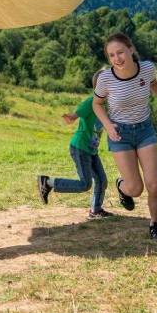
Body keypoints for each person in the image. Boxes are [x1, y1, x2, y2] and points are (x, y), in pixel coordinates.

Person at [93, 33, 157, 239]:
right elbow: (96, 104)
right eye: (112, 55)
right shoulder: (105, 79)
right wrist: (108, 125)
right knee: (135, 189)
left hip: (145, 130)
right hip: (120, 134)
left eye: (120, 52)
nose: (117, 58)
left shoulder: (146, 68)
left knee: (154, 184)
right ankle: (122, 186)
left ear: (131, 49)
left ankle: (154, 224)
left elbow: (153, 84)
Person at [38, 71, 113, 219]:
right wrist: (71, 118)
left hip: (91, 150)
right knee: (85, 184)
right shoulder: (92, 101)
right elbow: (76, 114)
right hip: (80, 148)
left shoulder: (107, 105)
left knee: (102, 180)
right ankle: (48, 183)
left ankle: (95, 210)